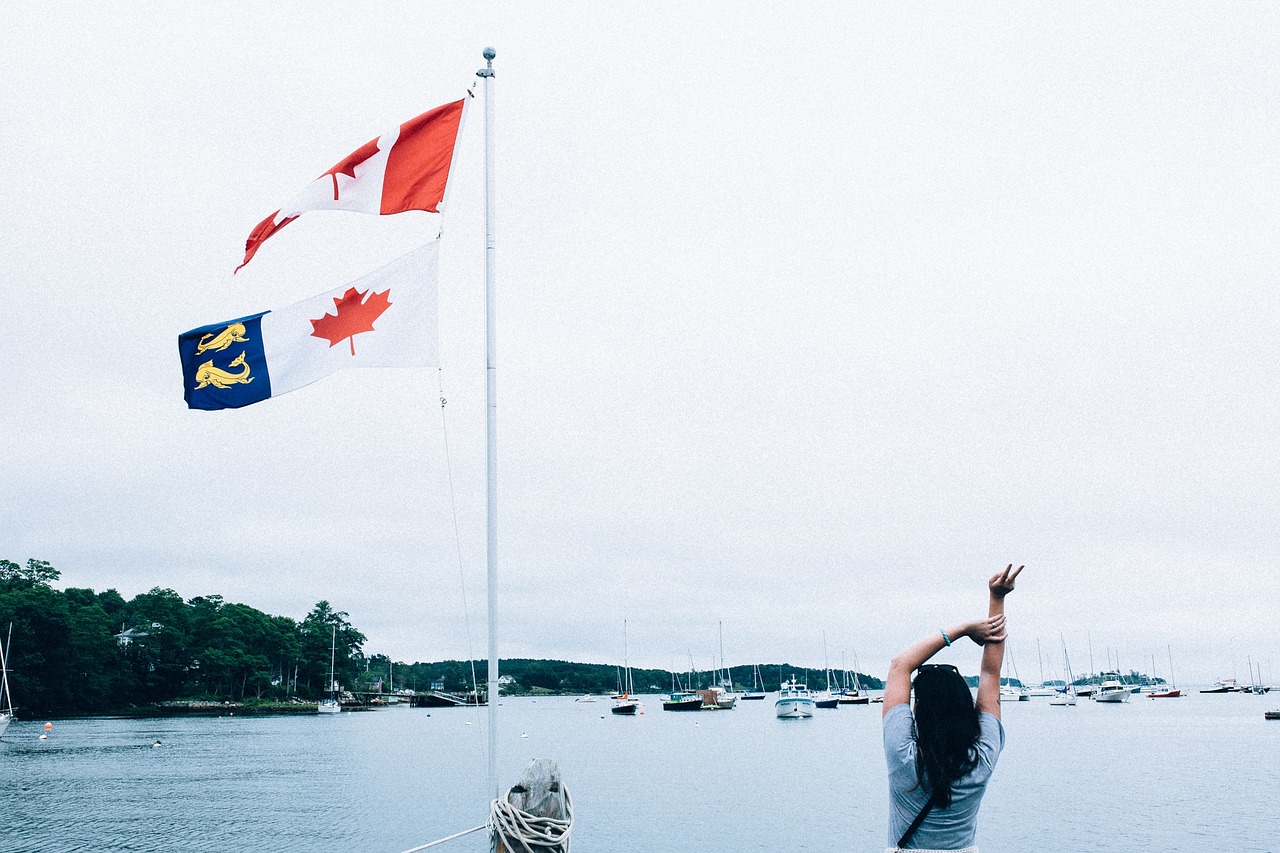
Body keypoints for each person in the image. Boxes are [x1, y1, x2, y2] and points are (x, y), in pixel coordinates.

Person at [881, 564, 1024, 852]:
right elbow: (990, 676)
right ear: (965, 708)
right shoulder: (981, 758)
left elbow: (900, 665)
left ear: (917, 709)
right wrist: (997, 598)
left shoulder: (903, 756)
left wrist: (961, 629)